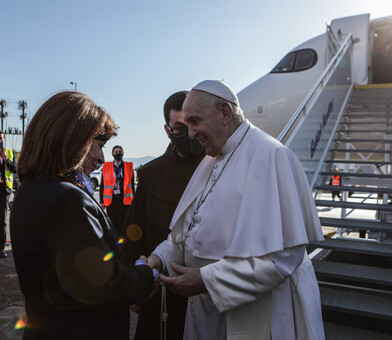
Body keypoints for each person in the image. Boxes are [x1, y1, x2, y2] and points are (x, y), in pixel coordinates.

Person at [147, 80, 326, 339]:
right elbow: (186, 236)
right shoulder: (210, 161)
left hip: (260, 311)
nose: (190, 133)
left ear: (224, 112)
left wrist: (207, 280)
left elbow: (284, 257)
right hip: (207, 311)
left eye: (195, 122)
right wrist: (158, 258)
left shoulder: (272, 156)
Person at [10, 91, 156, 340]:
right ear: (73, 140)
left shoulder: (30, 190)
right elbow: (104, 286)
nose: (101, 158)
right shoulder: (68, 200)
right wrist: (146, 273)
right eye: (98, 146)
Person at [123, 91, 205, 340]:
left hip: (205, 289)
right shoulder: (151, 173)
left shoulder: (216, 167)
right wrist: (134, 285)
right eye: (179, 127)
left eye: (192, 123)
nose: (188, 133)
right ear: (167, 131)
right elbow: (132, 230)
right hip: (159, 289)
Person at [100, 145, 135, 236]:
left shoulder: (128, 166)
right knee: (112, 222)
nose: (118, 153)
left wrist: (134, 200)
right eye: (116, 152)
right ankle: (114, 241)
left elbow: (132, 185)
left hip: (124, 199)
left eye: (120, 152)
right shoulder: (106, 166)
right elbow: (102, 185)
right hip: (111, 199)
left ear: (123, 153)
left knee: (123, 222)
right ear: (112, 154)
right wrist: (101, 201)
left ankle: (123, 242)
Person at [0, 131, 16, 259]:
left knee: (3, 220)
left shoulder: (9, 153)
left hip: (4, 189)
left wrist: (6, 159)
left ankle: (1, 248)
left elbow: (15, 169)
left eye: (1, 139)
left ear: (4, 139)